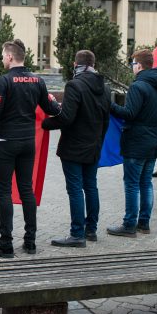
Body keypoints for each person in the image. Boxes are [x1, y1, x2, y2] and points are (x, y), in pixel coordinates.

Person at [0, 39, 60, 257]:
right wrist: (53, 101)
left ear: (9, 57)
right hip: (28, 143)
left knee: (5, 192)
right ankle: (30, 242)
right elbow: (53, 109)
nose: (1, 59)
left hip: (6, 144)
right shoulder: (38, 80)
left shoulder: (3, 81)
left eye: (2, 55)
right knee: (26, 190)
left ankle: (6, 243)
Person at [42, 50, 111, 247]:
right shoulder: (105, 88)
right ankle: (91, 230)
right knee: (91, 186)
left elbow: (67, 118)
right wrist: (98, 140)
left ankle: (77, 234)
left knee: (74, 190)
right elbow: (106, 119)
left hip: (73, 148)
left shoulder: (75, 85)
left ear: (75, 64)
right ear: (93, 64)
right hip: (94, 146)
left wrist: (45, 123)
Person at [107, 49, 157, 238]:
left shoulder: (138, 86)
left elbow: (129, 113)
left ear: (139, 65)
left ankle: (129, 225)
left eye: (133, 64)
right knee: (146, 183)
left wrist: (111, 106)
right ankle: (144, 223)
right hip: (152, 141)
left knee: (132, 184)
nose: (132, 67)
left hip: (136, 142)